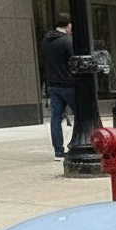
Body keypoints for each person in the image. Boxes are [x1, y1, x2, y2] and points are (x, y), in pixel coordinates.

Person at [41, 13, 75, 160]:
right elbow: (74, 62)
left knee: (55, 118)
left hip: (52, 84)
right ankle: (76, 144)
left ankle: (58, 152)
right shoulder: (67, 41)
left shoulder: (46, 41)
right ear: (67, 25)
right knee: (80, 114)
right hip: (68, 84)